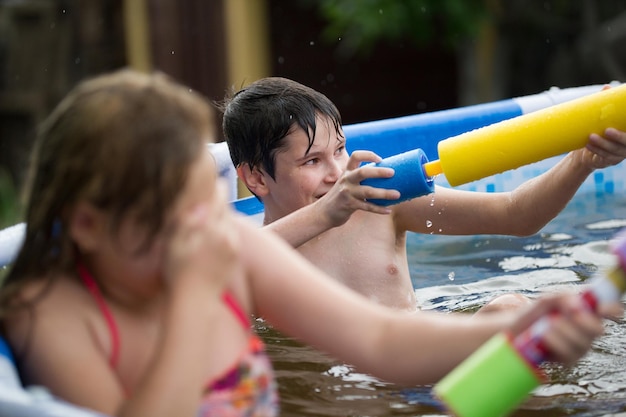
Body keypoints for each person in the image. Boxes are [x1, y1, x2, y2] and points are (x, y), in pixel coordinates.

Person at [0, 69, 617, 417]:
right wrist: (194, 300)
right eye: (176, 213)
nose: (203, 227)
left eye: (202, 205)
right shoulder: (51, 316)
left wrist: (519, 330)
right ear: (86, 226)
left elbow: (381, 341)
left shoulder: (237, 252)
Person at [221, 77, 626, 312]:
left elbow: (515, 215)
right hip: (333, 393)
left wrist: (581, 163)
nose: (336, 172)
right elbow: (221, 263)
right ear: (256, 179)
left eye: (340, 149)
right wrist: (328, 213)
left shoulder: (381, 202)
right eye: (312, 162)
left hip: (422, 373)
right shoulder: (246, 252)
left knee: (512, 310)